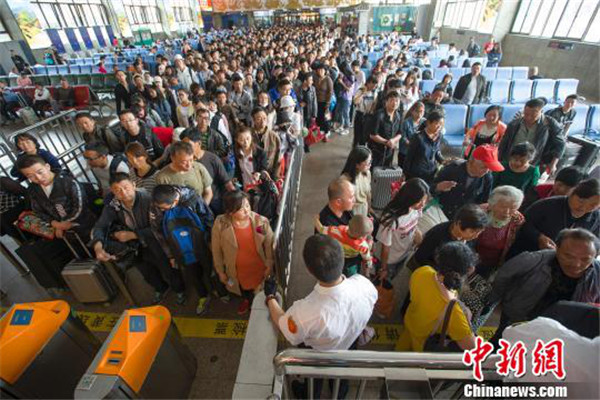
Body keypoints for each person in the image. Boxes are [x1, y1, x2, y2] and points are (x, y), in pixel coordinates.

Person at [265, 234, 377, 398]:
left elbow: (283, 324)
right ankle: (339, 393)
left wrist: (270, 298)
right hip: (350, 345)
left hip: (317, 354)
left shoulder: (305, 312)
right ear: (343, 259)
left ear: (310, 270)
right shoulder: (364, 285)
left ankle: (311, 395)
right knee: (341, 377)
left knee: (313, 380)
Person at [490, 228, 600, 340]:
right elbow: (503, 277)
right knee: (503, 343)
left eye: (585, 259)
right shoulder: (533, 260)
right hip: (519, 318)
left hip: (562, 330)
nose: (576, 264)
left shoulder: (597, 273)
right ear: (557, 249)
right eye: (569, 256)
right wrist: (495, 302)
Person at [91, 173, 185, 304]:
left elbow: (161, 227)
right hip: (134, 246)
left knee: (167, 268)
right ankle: (160, 288)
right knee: (146, 270)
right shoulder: (113, 206)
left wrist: (134, 235)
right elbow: (100, 226)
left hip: (156, 242)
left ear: (134, 185)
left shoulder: (149, 200)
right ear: (112, 191)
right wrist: (98, 246)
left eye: (126, 187)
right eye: (117, 190)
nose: (123, 193)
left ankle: (179, 290)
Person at [398, 241, 478, 352]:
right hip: (424, 340)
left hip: (411, 322)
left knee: (401, 349)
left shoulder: (422, 271)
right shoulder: (454, 310)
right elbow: (470, 345)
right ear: (468, 271)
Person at [152, 185, 216, 314]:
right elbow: (159, 234)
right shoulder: (156, 206)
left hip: (201, 244)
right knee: (192, 274)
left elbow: (208, 218)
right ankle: (203, 296)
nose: (161, 211)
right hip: (179, 249)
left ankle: (217, 290)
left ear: (175, 201)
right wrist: (170, 255)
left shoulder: (192, 198)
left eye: (164, 208)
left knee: (210, 268)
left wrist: (211, 242)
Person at [212, 190, 274, 315]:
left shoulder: (259, 222)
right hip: (236, 271)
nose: (247, 210)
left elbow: (268, 244)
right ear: (230, 212)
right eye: (241, 209)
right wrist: (220, 271)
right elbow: (216, 250)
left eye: (247, 205)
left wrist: (269, 263)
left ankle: (258, 304)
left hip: (258, 267)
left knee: (259, 288)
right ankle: (247, 301)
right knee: (242, 288)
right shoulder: (220, 224)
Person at [17, 154, 95, 240]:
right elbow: (38, 211)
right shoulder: (33, 190)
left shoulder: (67, 181)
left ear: (47, 166)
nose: (38, 178)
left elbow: (81, 206)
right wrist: (55, 224)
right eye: (30, 176)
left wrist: (62, 224)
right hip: (64, 232)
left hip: (85, 224)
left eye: (40, 172)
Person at [511, 178, 600, 254]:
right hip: (526, 251)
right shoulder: (548, 204)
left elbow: (594, 242)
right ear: (572, 193)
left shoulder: (596, 219)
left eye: (592, 205)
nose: (583, 207)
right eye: (581, 200)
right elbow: (523, 222)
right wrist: (539, 237)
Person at [407, 204, 489, 271]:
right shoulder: (437, 234)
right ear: (459, 224)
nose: (475, 236)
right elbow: (419, 258)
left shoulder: (469, 239)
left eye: (479, 232)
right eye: (472, 231)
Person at [377, 178, 429, 280]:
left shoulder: (416, 208)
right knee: (383, 281)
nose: (422, 204)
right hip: (390, 259)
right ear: (409, 198)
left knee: (393, 276)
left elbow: (414, 222)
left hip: (404, 253)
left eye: (424, 200)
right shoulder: (391, 219)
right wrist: (383, 268)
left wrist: (416, 232)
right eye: (419, 201)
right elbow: (385, 247)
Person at [434, 144, 501, 220]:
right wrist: (438, 187)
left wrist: (480, 208)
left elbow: (484, 201)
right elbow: (430, 189)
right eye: (484, 167)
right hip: (440, 212)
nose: (486, 171)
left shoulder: (487, 177)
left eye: (489, 168)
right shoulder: (452, 169)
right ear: (472, 161)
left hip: (466, 217)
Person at [498, 98, 564, 174]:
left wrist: (553, 163)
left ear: (541, 112)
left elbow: (560, 144)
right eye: (526, 114)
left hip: (534, 162)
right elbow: (504, 143)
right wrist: (500, 159)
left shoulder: (550, 124)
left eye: (533, 115)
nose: (529, 117)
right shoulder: (514, 124)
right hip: (512, 160)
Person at [475, 186, 525, 278]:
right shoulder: (479, 212)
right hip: (472, 255)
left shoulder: (517, 220)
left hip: (495, 263)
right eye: (503, 207)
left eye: (513, 207)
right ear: (492, 204)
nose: (507, 212)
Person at [155, 141, 213, 205]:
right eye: (184, 162)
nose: (189, 165)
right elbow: (164, 203)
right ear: (173, 158)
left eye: (191, 160)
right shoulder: (162, 177)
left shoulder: (199, 168)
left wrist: (202, 210)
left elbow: (208, 192)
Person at [403, 111, 445, 184]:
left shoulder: (439, 136)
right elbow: (409, 158)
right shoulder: (418, 137)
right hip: (417, 174)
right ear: (428, 123)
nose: (439, 127)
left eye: (441, 125)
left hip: (431, 173)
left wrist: (443, 161)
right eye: (437, 123)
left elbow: (436, 151)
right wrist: (405, 174)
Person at [369, 91, 403, 168]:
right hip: (377, 150)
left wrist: (393, 141)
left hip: (390, 150)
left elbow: (400, 133)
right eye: (391, 100)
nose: (394, 103)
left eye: (397, 101)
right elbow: (372, 135)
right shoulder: (379, 115)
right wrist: (386, 142)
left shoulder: (398, 115)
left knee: (385, 171)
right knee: (374, 170)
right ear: (386, 102)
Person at [251, 107, 281, 180]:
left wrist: (275, 177)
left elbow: (277, 159)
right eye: (259, 119)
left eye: (264, 118)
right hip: (252, 175)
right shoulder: (248, 135)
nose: (262, 121)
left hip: (269, 174)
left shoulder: (274, 136)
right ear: (253, 120)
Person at [340, 146, 372, 216]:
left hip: (364, 209)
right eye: (367, 163)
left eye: (370, 161)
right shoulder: (344, 180)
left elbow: (368, 194)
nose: (370, 165)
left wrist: (369, 208)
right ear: (357, 165)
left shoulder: (367, 173)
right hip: (351, 212)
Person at [352, 75, 378, 147]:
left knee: (364, 137)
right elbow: (355, 102)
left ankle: (362, 153)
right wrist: (363, 93)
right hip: (360, 115)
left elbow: (374, 104)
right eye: (373, 85)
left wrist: (371, 112)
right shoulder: (360, 90)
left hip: (368, 116)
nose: (374, 87)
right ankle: (354, 152)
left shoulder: (374, 92)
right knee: (357, 135)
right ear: (369, 83)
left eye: (375, 85)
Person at [398, 101, 425, 167]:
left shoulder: (425, 122)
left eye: (421, 111)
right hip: (405, 152)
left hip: (418, 152)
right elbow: (403, 138)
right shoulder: (406, 122)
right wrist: (412, 144)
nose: (419, 114)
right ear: (412, 111)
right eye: (417, 111)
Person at [314, 62, 334, 135]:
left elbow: (330, 92)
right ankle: (320, 130)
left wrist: (328, 103)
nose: (320, 71)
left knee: (325, 117)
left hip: (325, 101)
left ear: (325, 71)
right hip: (317, 101)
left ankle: (327, 131)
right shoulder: (316, 78)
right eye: (319, 70)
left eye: (322, 70)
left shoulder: (328, 79)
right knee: (318, 116)